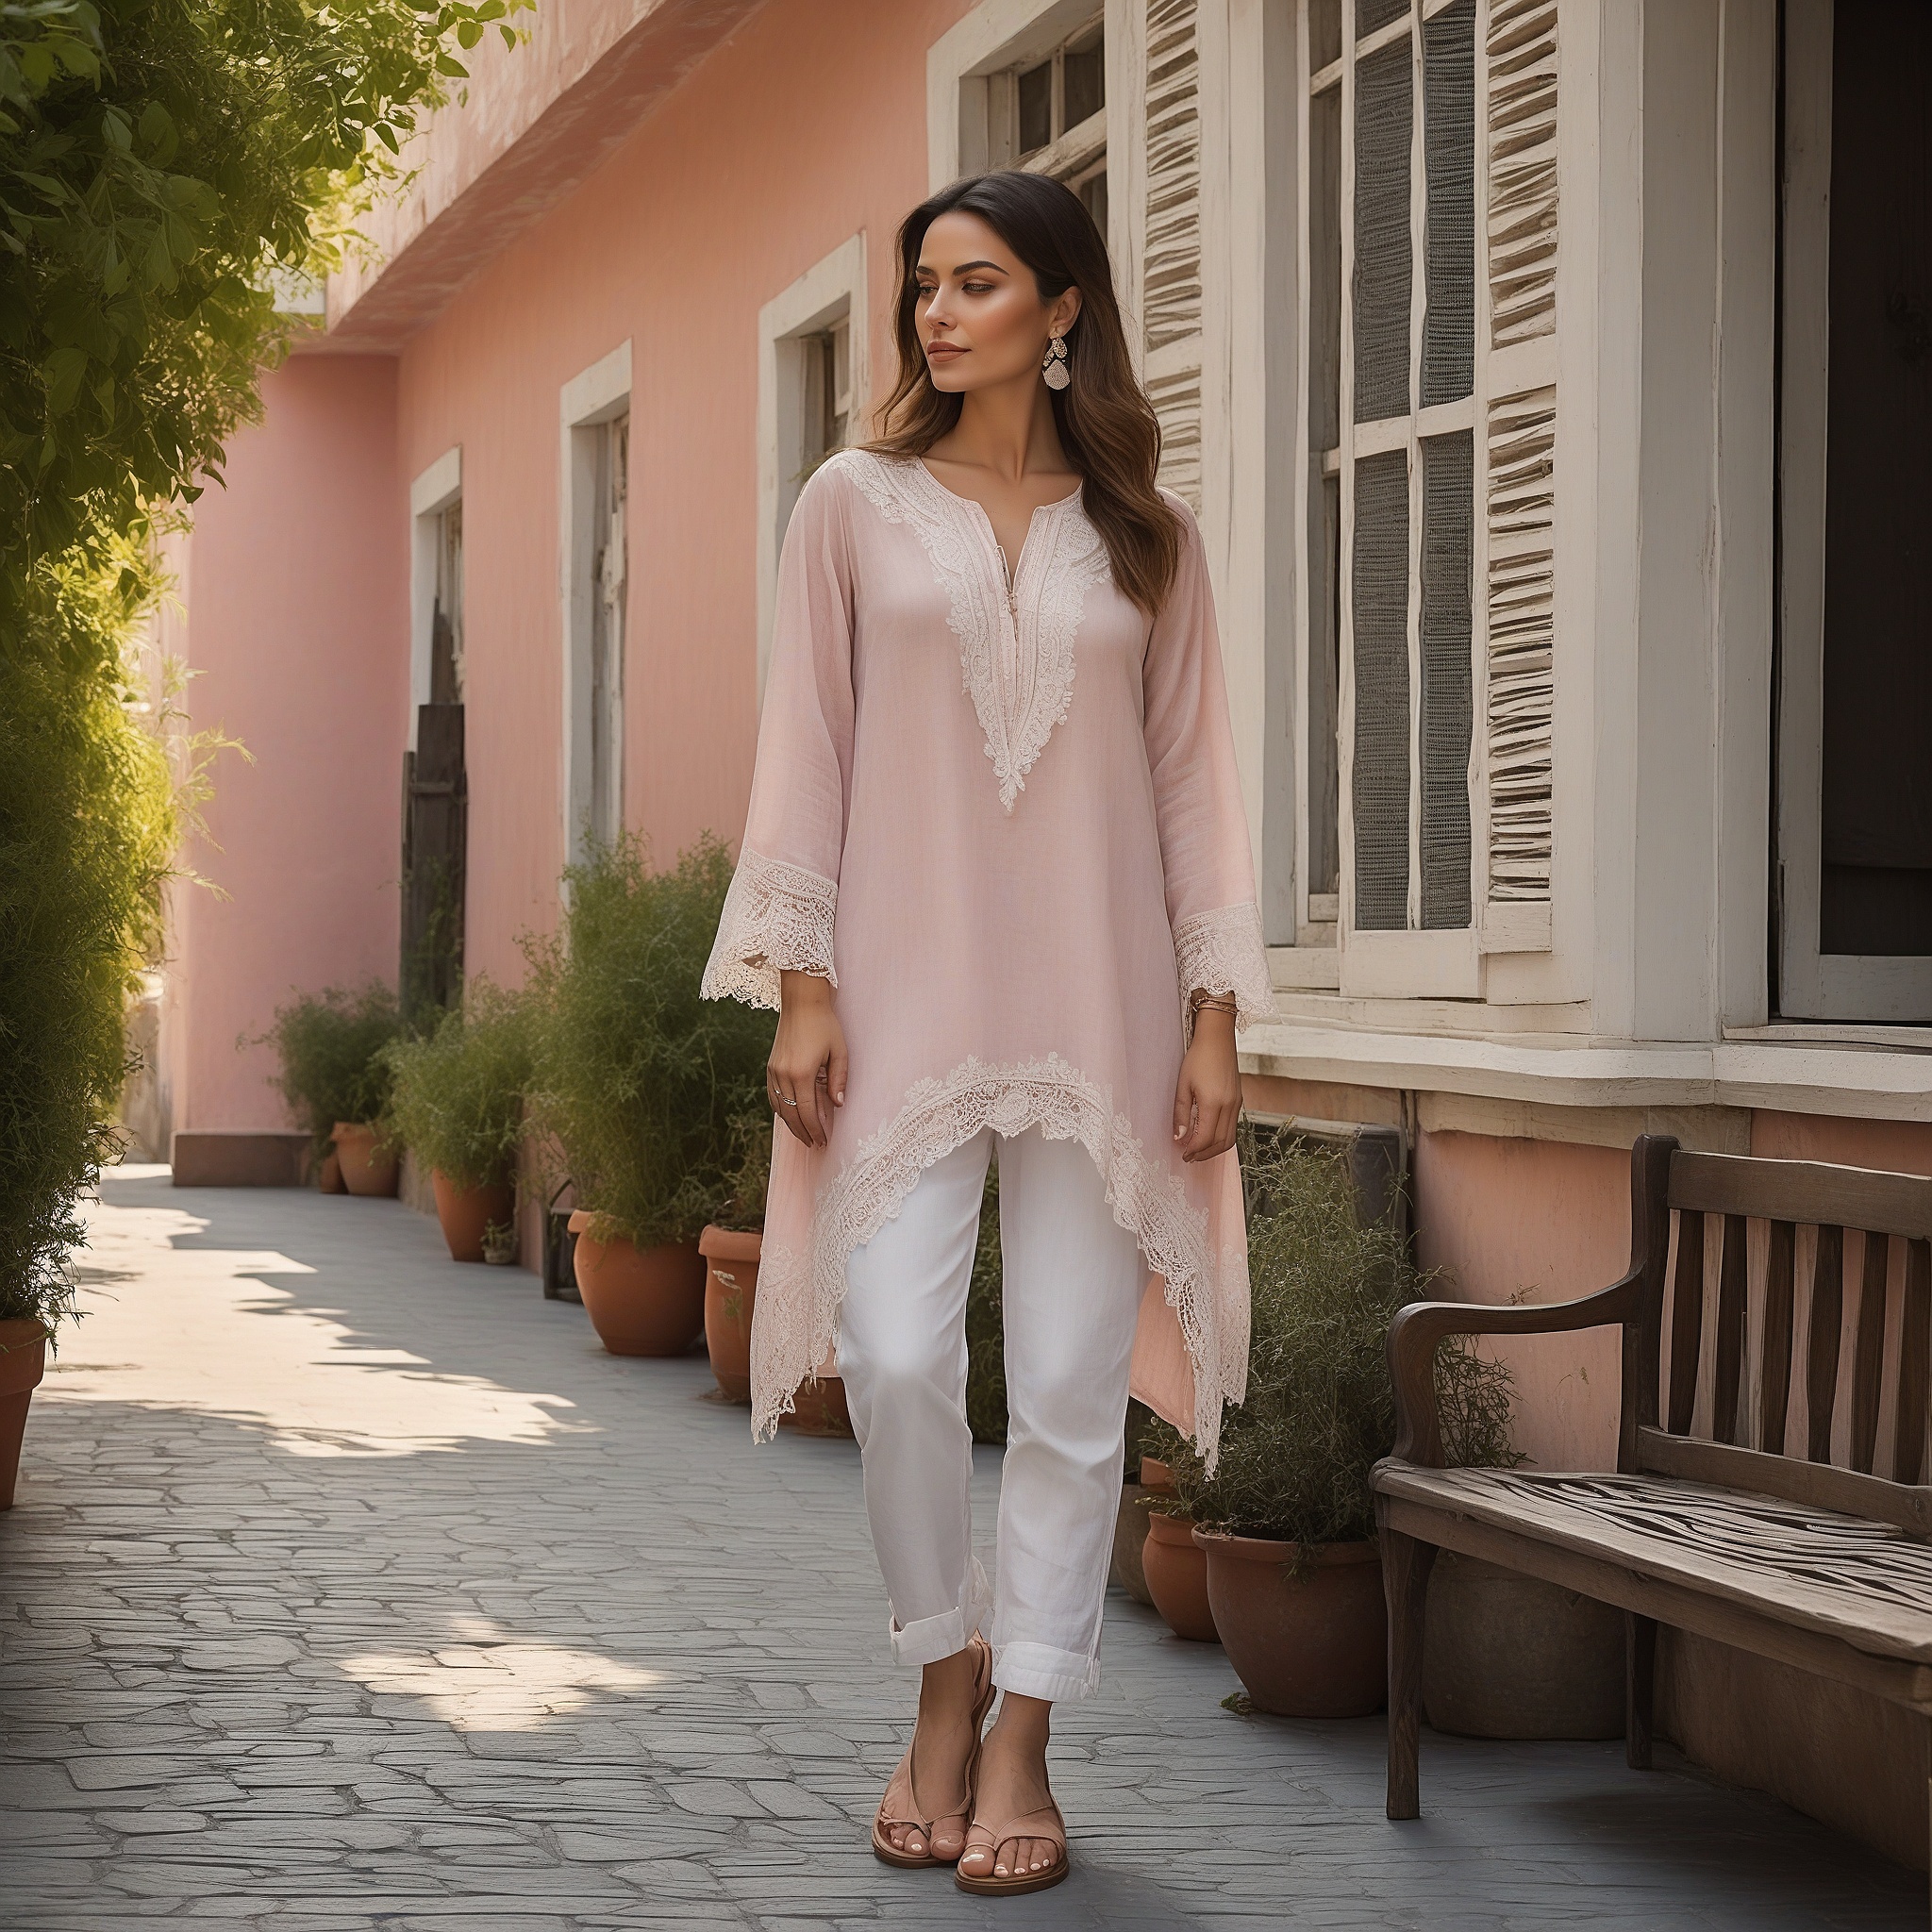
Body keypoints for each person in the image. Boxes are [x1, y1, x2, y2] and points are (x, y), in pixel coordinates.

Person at [701, 169, 1272, 1898]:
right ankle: (941, 1673)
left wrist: (1214, 1021)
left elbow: (1193, 789)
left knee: (1076, 1392)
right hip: (899, 999)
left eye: (978, 284)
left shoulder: (1143, 539)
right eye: (924, 290)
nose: (939, 316)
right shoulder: (852, 507)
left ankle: (1022, 1733)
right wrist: (802, 982)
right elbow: (805, 745)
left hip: (1102, 1010)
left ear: (1064, 309)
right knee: (891, 1355)